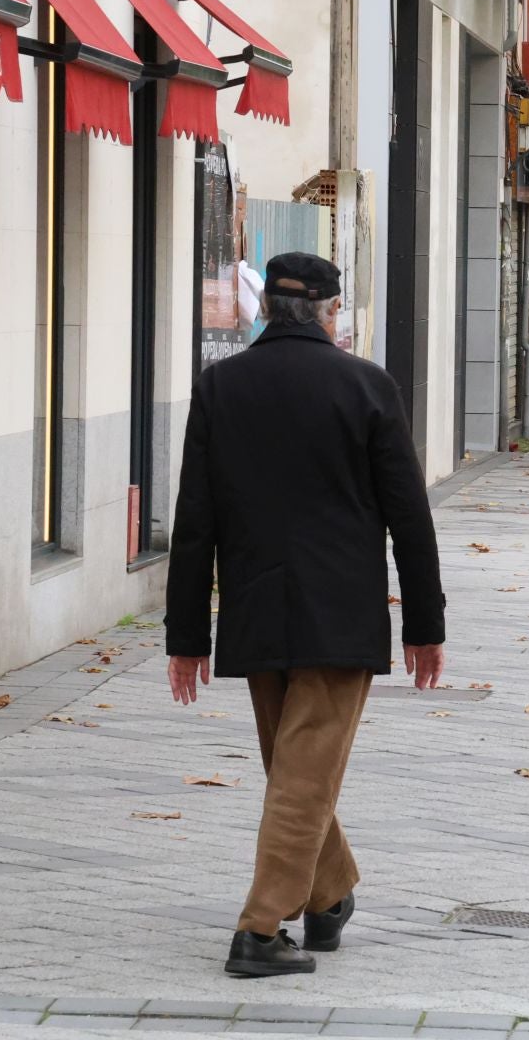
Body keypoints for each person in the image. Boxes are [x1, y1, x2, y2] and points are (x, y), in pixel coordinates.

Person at [165, 253, 446, 979]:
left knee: (295, 769)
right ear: (330, 311)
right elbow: (408, 518)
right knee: (302, 775)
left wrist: (186, 635)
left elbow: (195, 518)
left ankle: (329, 895)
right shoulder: (365, 386)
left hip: (256, 610)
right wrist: (425, 624)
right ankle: (259, 931)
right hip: (340, 615)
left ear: (267, 311)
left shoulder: (221, 386)